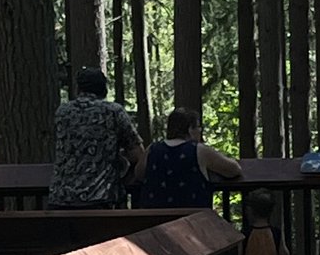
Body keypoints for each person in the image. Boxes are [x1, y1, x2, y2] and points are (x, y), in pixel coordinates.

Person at [49, 66, 144, 208]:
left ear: (78, 88)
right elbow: (138, 153)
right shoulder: (113, 112)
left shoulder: (63, 112)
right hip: (100, 198)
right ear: (103, 88)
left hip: (61, 199)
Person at [133, 110, 243, 208]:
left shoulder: (152, 149)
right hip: (193, 220)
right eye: (198, 126)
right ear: (190, 129)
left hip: (156, 220)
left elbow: (139, 174)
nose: (200, 130)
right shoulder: (199, 150)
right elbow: (233, 170)